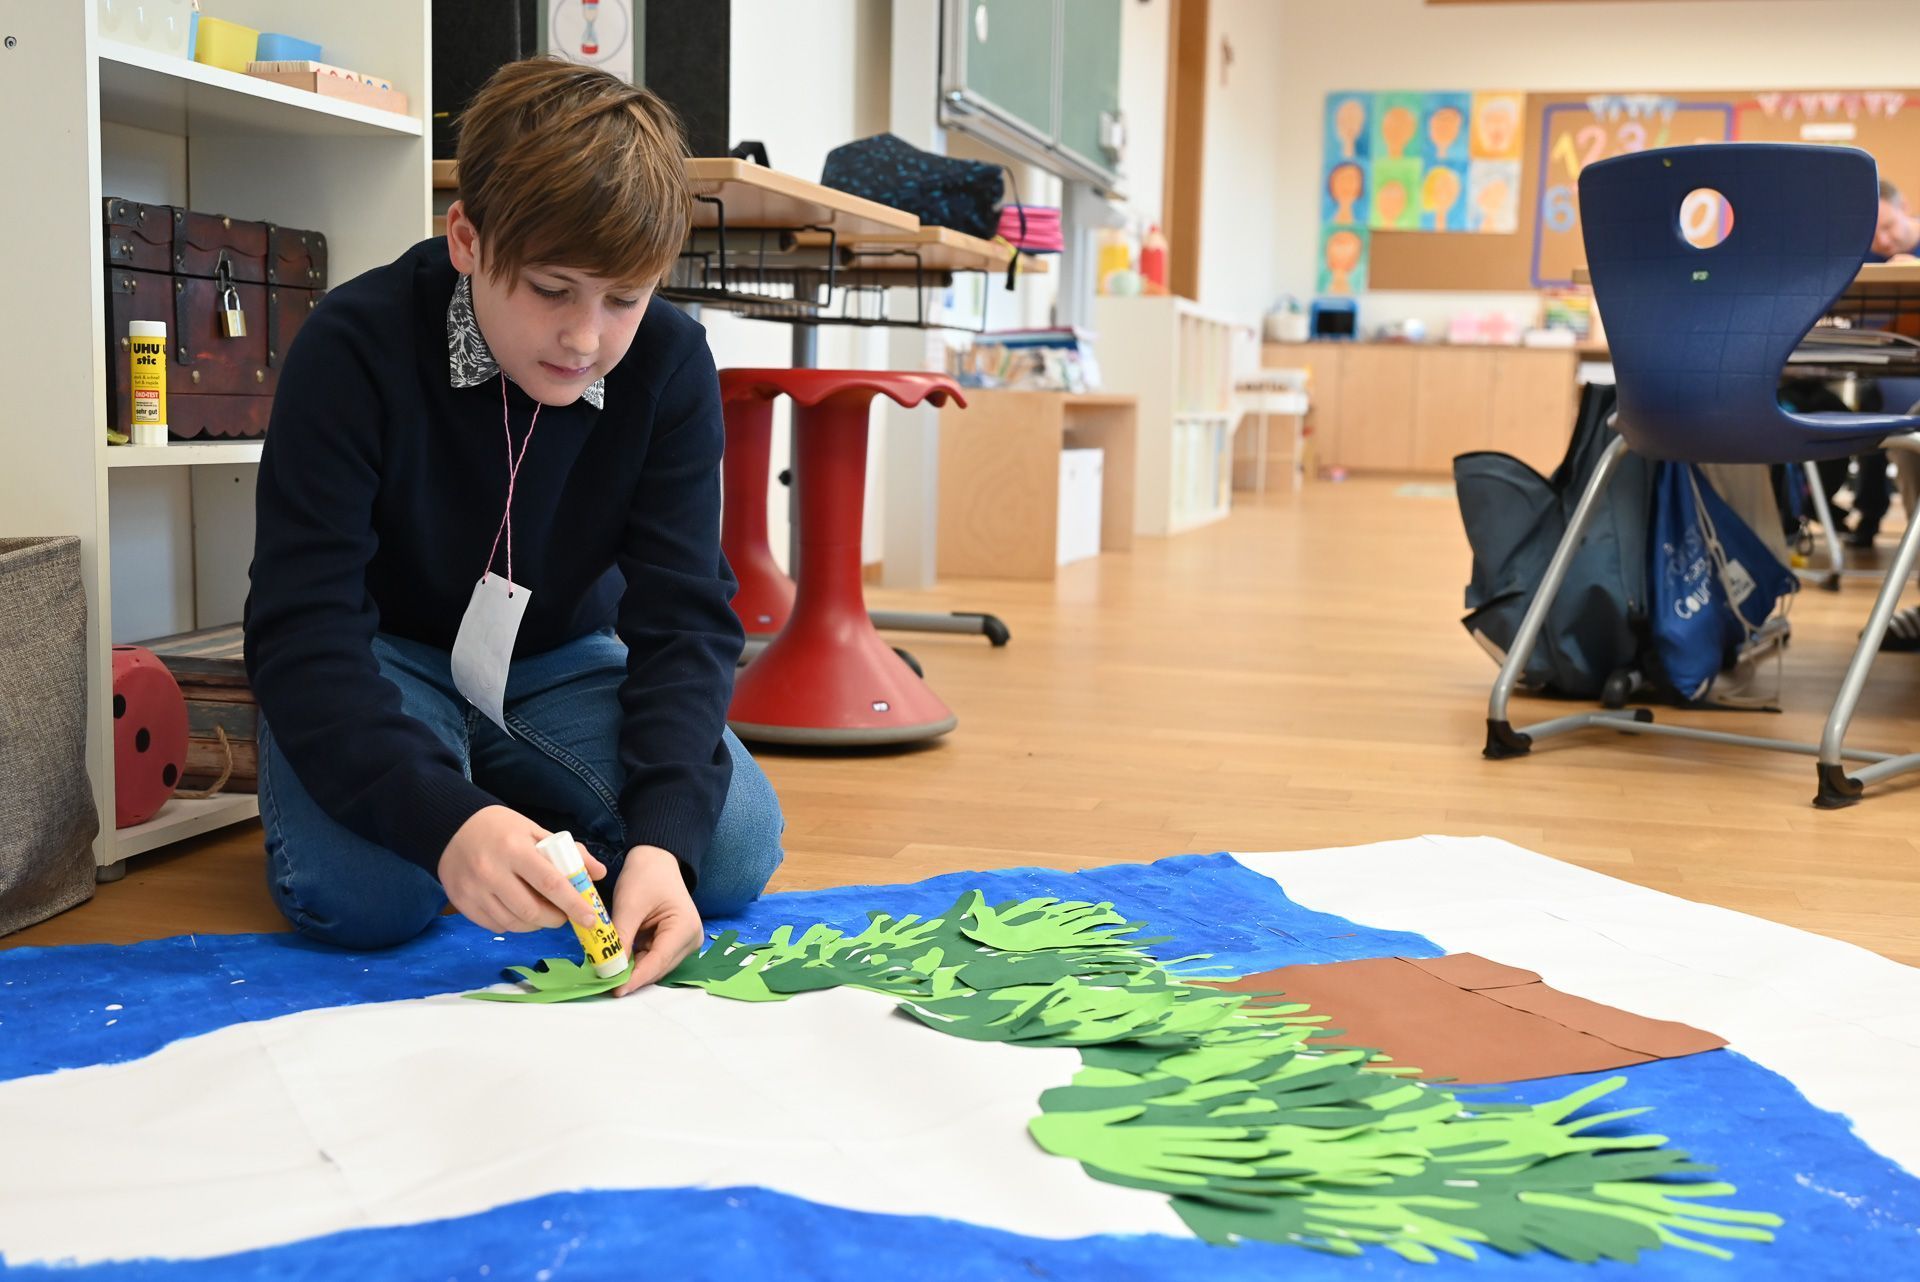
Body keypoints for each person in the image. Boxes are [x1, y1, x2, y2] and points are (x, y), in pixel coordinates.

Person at [243, 57, 783, 995]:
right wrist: (448, 825)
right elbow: (303, 627)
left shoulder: (670, 365)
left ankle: (514, 809)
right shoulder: (349, 347)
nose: (584, 337)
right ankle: (466, 799)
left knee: (726, 848)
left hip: (559, 662)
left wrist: (661, 842)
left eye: (624, 297)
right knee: (366, 898)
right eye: (549, 288)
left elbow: (685, 619)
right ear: (465, 237)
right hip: (382, 658)